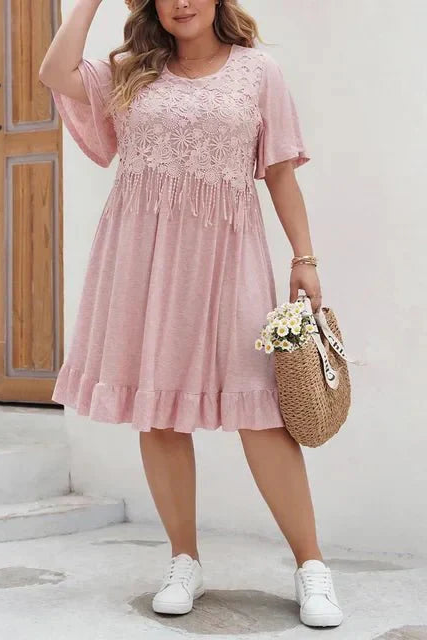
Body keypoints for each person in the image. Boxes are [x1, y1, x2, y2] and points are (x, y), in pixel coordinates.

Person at [39, 0, 343, 628]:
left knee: (262, 413)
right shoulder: (132, 69)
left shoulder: (258, 71)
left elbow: (280, 172)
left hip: (228, 256)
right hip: (141, 259)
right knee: (159, 410)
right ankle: (184, 560)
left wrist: (304, 257)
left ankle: (312, 565)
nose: (181, 2)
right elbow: (54, 72)